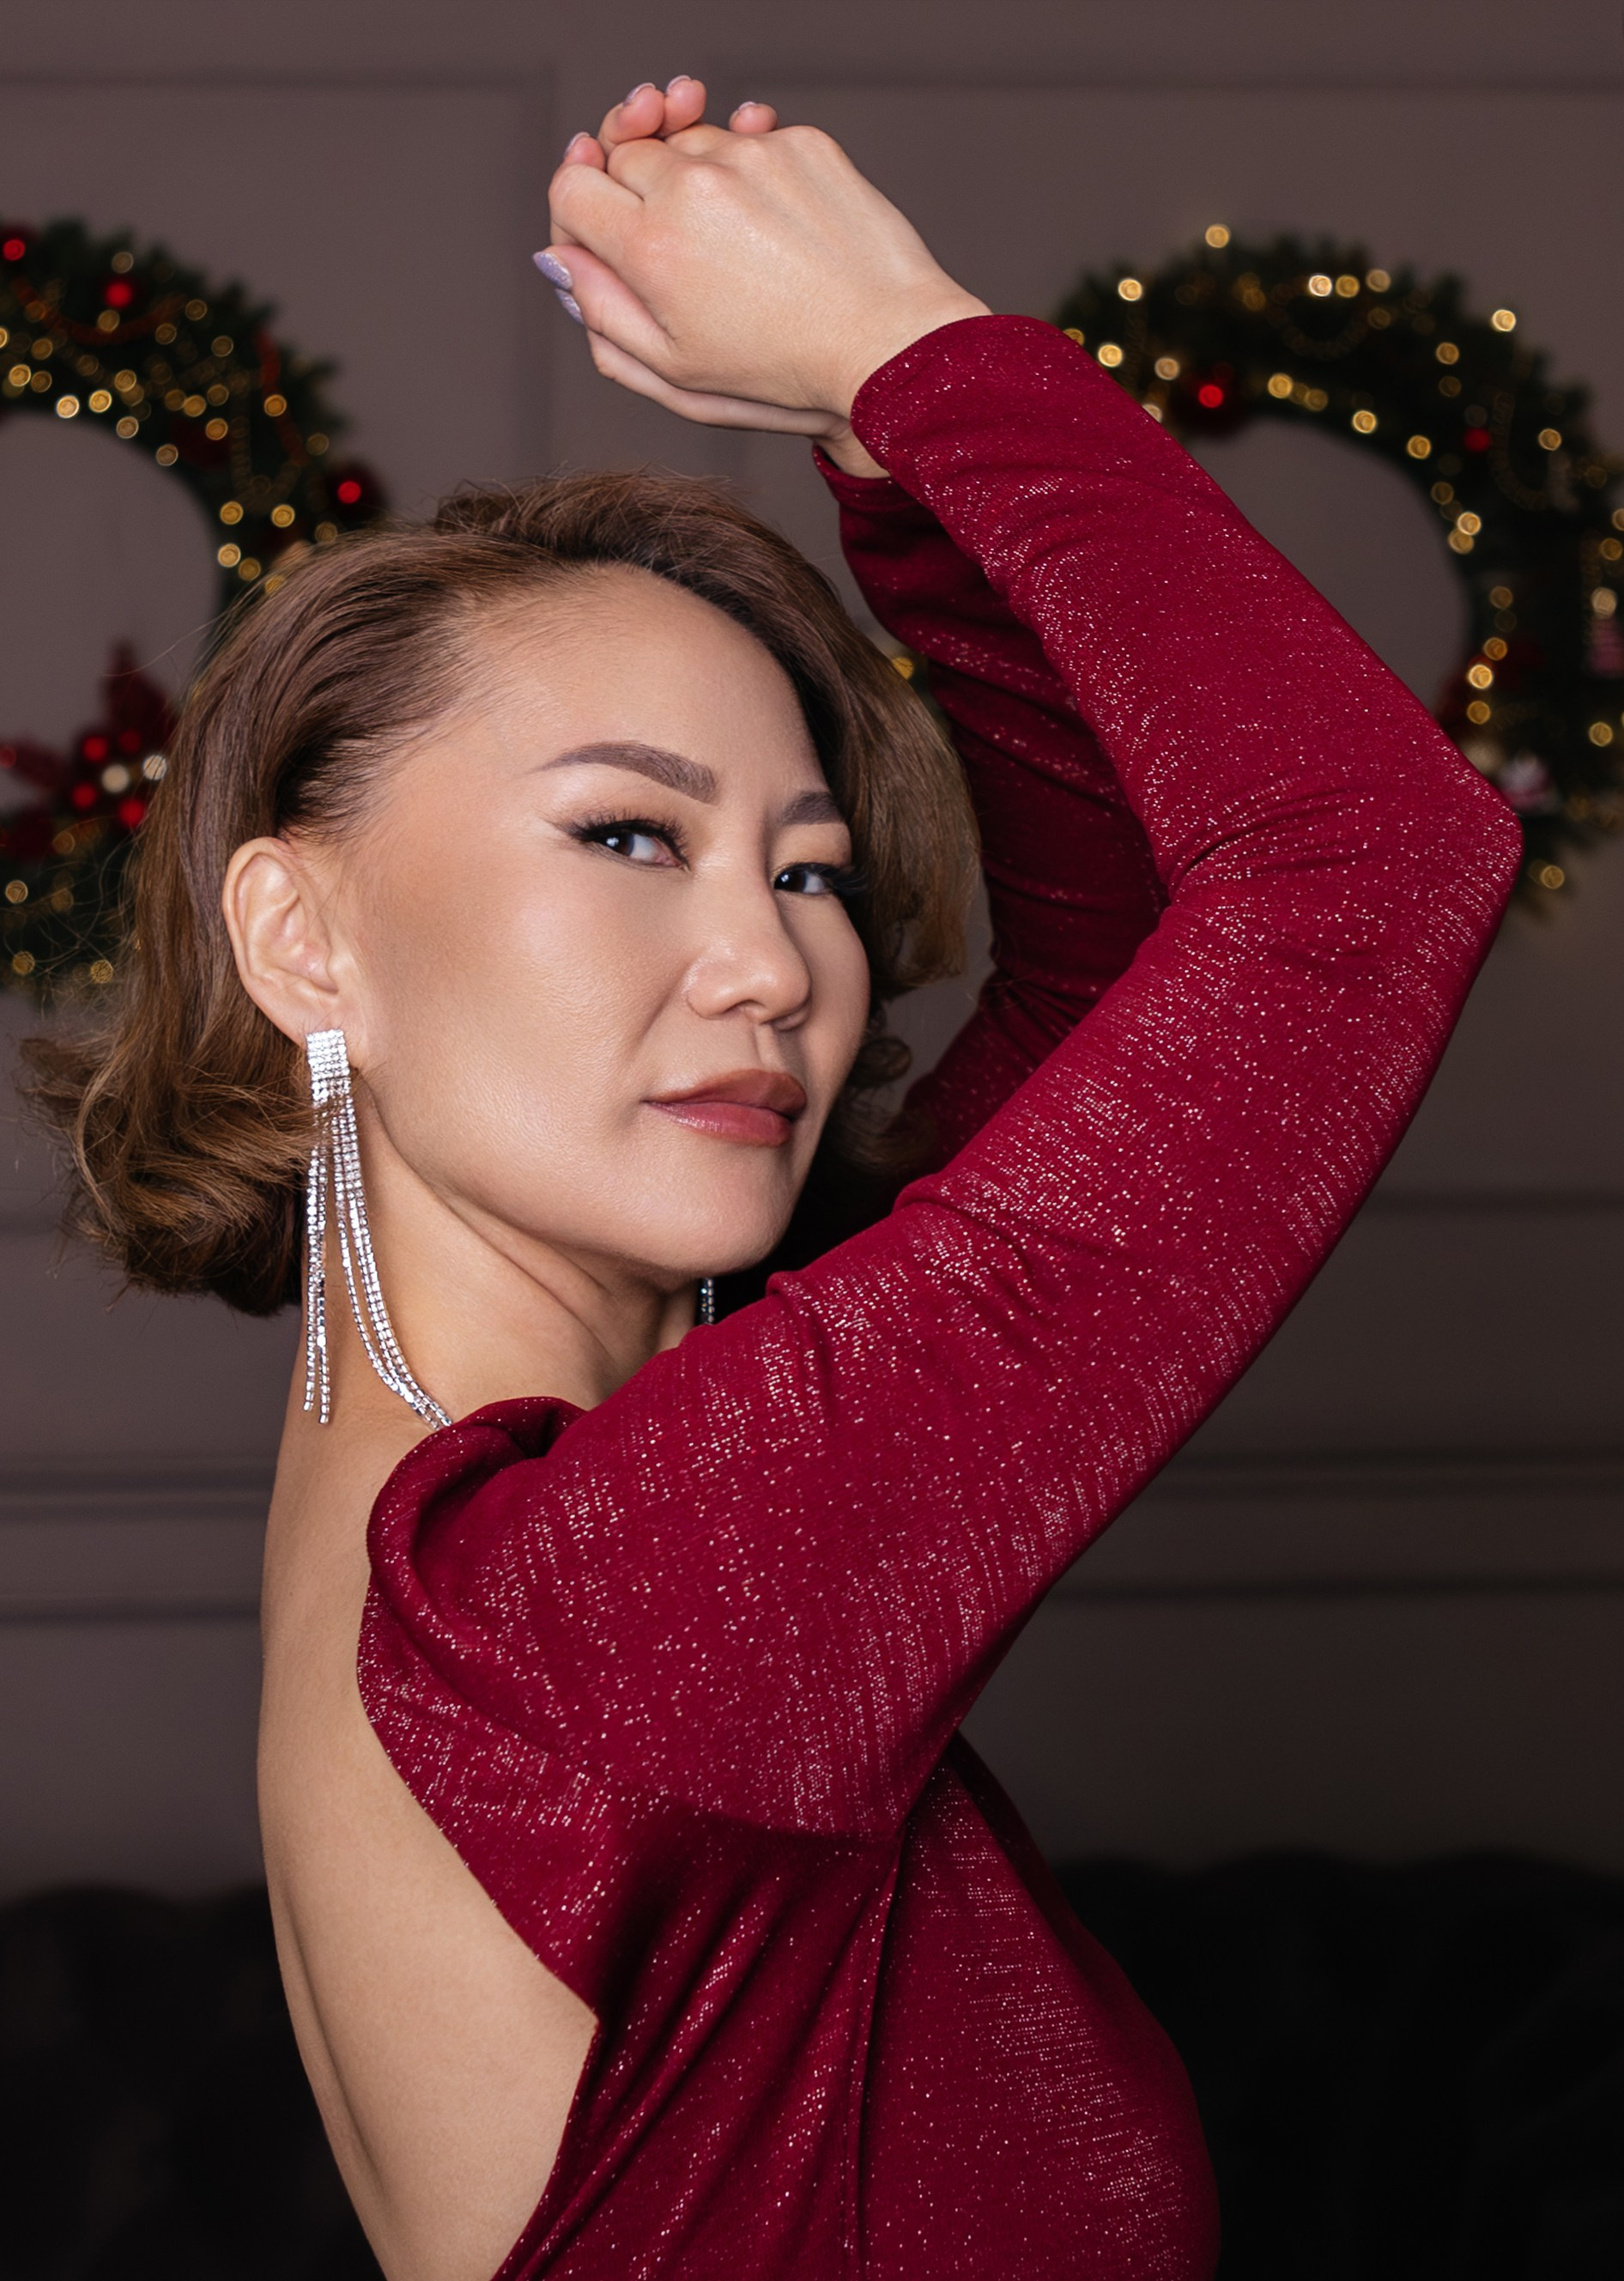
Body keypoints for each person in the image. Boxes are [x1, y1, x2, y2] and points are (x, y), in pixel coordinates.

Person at [26, 77, 1521, 2281]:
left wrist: (878, 462)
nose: (772, 964)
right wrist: (900, 344)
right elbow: (1370, 859)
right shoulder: (593, 1609)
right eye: (629, 833)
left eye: (809, 869)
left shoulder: (475, 1559)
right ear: (302, 936)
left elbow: (1117, 965)